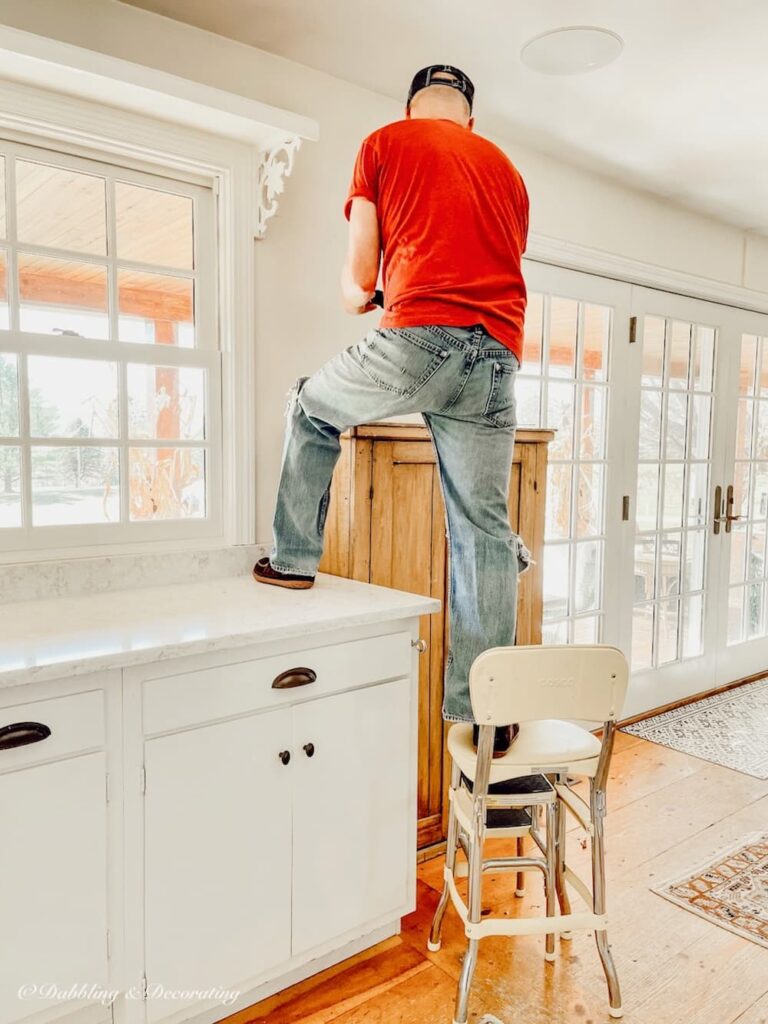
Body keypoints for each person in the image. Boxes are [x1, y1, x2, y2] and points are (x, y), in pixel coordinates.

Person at [254, 64, 530, 754]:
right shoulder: (509, 173)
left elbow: (358, 278)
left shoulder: (385, 144)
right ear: (469, 120)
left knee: (312, 405)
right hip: (498, 357)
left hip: (417, 340)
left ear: (411, 109)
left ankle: (292, 559)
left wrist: (367, 300)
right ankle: (487, 711)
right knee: (481, 530)